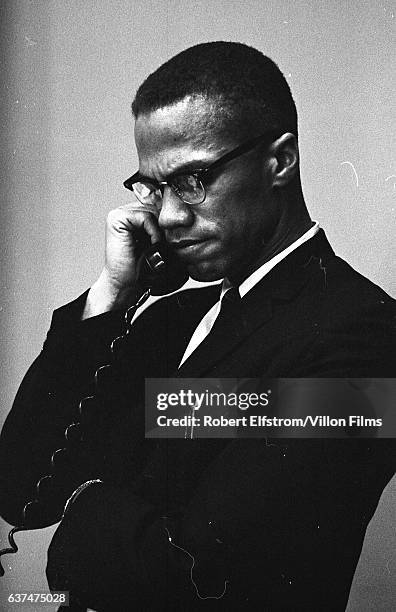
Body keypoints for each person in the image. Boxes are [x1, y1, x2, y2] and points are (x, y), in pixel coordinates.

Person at [0, 41, 395, 611]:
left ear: (280, 161)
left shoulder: (367, 337)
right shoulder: (170, 318)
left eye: (193, 180)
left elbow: (205, 572)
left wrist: (72, 522)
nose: (168, 216)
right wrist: (112, 294)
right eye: (154, 187)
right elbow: (24, 491)